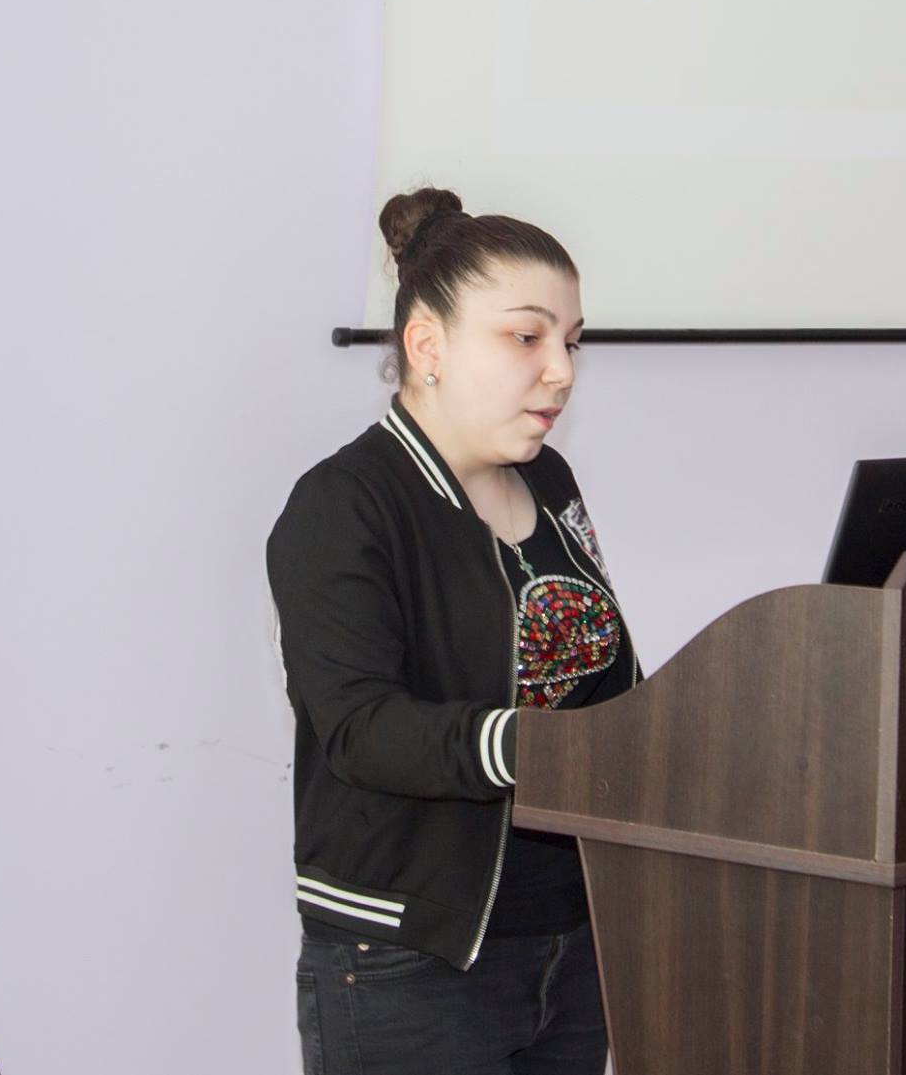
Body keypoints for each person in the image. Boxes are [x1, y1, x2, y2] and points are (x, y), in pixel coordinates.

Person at [267, 187, 642, 1075]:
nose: (561, 371)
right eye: (526, 337)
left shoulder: (549, 480)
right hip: (412, 962)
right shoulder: (344, 505)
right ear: (427, 345)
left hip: (573, 940)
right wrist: (537, 746)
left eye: (571, 341)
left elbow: (604, 681)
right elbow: (361, 728)